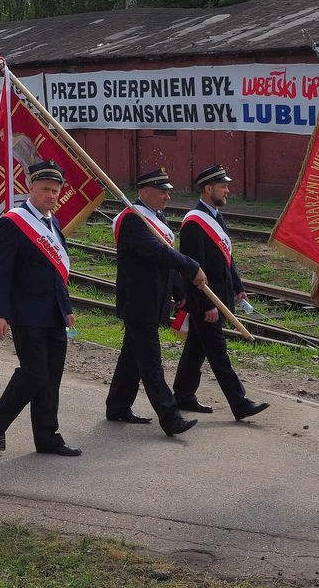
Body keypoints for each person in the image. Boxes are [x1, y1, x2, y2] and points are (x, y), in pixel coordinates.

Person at [0, 161, 80, 456]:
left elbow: (57, 273)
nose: (51, 196)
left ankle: (48, 437)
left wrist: (67, 308)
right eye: (45, 190)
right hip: (26, 312)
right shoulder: (14, 222)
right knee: (35, 373)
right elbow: (1, 273)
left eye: (55, 191)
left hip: (53, 312)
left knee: (52, 377)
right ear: (30, 188)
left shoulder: (54, 223)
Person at [106, 168, 205, 437]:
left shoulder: (155, 217)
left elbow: (165, 257)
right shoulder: (133, 220)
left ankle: (117, 406)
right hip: (138, 301)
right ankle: (170, 416)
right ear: (145, 191)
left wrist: (177, 289)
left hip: (154, 299)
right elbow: (155, 251)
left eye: (168, 191)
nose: (167, 196)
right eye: (162, 191)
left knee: (132, 356)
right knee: (151, 363)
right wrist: (191, 267)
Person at [171, 165, 269, 420]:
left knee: (197, 347)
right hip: (208, 301)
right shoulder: (194, 222)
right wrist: (206, 305)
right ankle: (239, 403)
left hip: (222, 297)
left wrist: (238, 288)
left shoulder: (215, 216)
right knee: (218, 352)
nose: (227, 190)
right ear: (208, 189)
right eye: (222, 186)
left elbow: (226, 259)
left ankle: (182, 394)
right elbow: (194, 269)